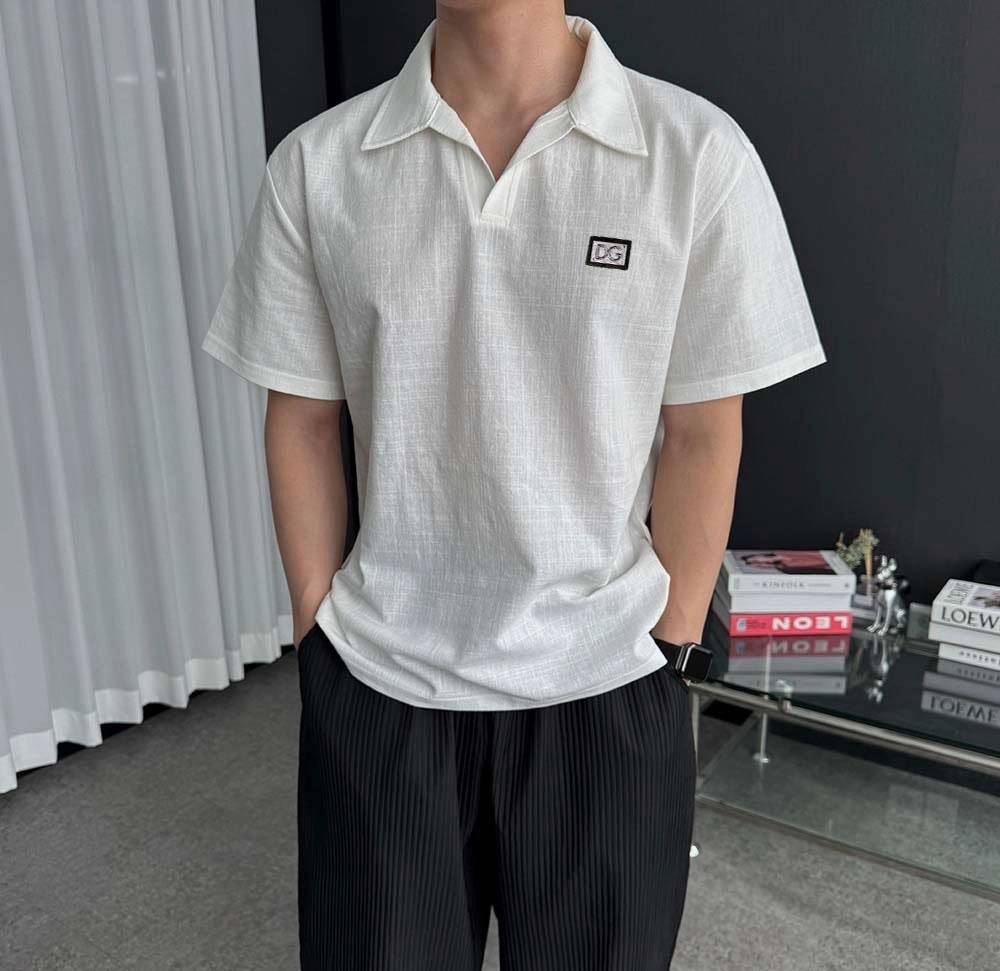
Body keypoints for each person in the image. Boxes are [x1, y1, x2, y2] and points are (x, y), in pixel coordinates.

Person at [201, 2, 827, 968]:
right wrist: (317, 627)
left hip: (607, 676)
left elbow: (703, 432)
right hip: (382, 677)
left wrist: (672, 642)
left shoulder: (694, 153)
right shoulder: (319, 166)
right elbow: (303, 417)